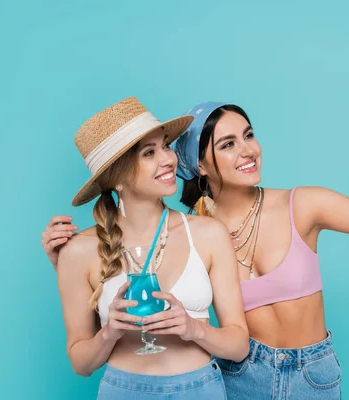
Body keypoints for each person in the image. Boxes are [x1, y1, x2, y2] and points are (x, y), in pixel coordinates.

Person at [43, 69, 349, 399]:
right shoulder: (195, 225)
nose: (248, 151)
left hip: (311, 375)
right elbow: (134, 250)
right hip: (232, 378)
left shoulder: (302, 206)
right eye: (228, 144)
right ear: (199, 165)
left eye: (249, 136)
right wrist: (72, 259)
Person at [54, 97, 248, 399]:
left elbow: (238, 346)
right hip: (123, 390)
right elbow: (81, 363)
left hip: (200, 389)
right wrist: (110, 333)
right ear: (116, 176)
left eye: (166, 146)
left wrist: (194, 329)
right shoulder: (78, 251)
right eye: (149, 153)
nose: (169, 160)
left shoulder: (208, 234)